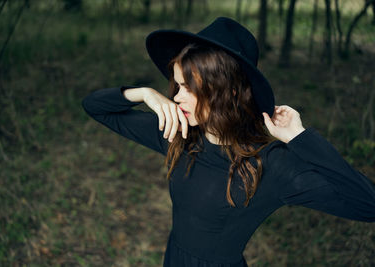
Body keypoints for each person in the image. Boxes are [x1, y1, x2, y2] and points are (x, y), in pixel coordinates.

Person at [82, 17, 375, 267]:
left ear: (229, 91)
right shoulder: (181, 134)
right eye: (177, 85)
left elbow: (368, 205)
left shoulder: (270, 164)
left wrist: (301, 139)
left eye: (188, 87)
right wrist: (143, 93)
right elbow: (95, 107)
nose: (176, 97)